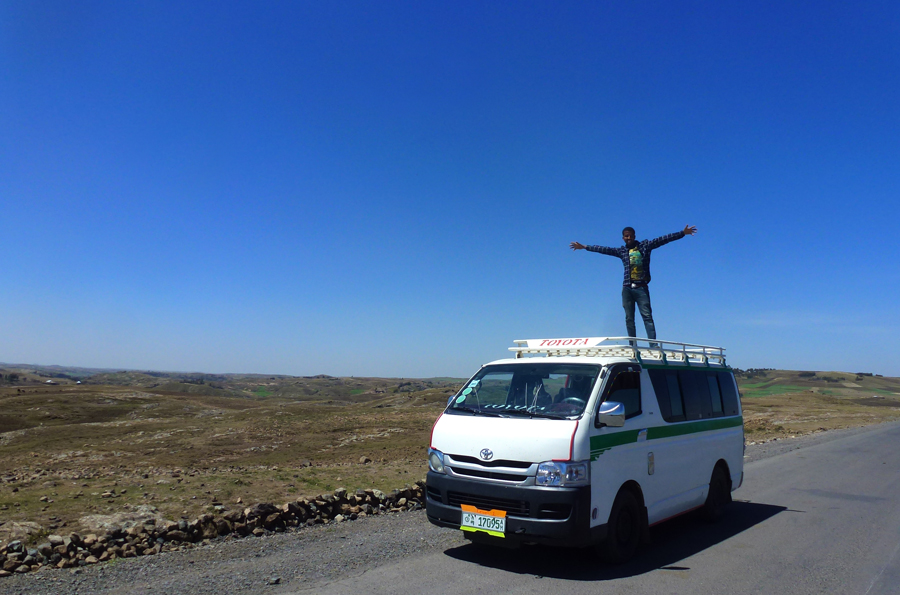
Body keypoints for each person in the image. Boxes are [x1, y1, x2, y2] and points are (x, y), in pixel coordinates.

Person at [570, 225, 697, 343]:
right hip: (627, 289)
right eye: (626, 236)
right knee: (629, 319)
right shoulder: (622, 251)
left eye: (630, 235)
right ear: (623, 238)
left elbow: (663, 239)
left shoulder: (645, 246)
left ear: (635, 236)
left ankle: (653, 344)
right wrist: (585, 247)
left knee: (647, 316)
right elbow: (604, 249)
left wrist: (682, 233)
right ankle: (633, 345)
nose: (629, 238)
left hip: (641, 287)